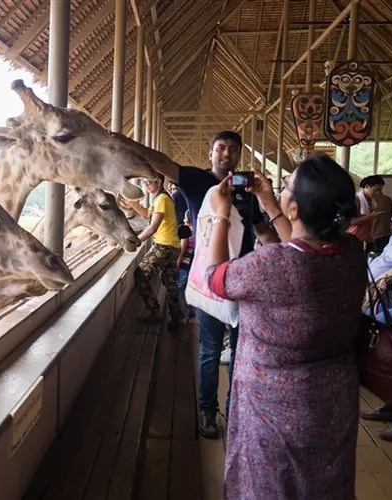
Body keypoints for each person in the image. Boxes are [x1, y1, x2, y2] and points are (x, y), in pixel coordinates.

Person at [205, 155, 365, 499]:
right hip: (332, 402)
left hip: (272, 410)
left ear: (294, 208)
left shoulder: (270, 265)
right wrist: (269, 203)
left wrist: (221, 215)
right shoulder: (352, 251)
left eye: (286, 188)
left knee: (269, 486)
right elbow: (305, 246)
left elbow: (215, 279)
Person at [127, 130, 278, 438]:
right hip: (209, 279)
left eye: (233, 149)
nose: (227, 153)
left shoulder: (248, 193)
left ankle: (234, 409)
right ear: (211, 153)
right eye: (221, 147)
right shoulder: (196, 182)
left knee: (241, 351)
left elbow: (263, 233)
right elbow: (161, 161)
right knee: (210, 350)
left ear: (238, 156)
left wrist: (282, 248)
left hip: (244, 279)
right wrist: (127, 143)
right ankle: (207, 411)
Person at [128, 173, 181, 332]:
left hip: (164, 246)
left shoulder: (163, 199)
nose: (146, 185)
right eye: (144, 182)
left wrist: (136, 241)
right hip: (173, 245)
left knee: (141, 275)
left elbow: (153, 227)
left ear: (159, 182)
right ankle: (175, 316)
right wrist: (134, 205)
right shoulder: (159, 198)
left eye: (149, 182)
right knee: (169, 282)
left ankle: (154, 311)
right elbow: (148, 215)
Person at [176, 210, 195, 322]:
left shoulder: (185, 231)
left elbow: (183, 250)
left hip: (185, 265)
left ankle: (182, 315)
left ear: (188, 219)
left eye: (185, 218)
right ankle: (191, 313)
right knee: (191, 290)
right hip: (193, 266)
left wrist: (178, 263)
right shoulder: (197, 231)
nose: (183, 220)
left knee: (180, 290)